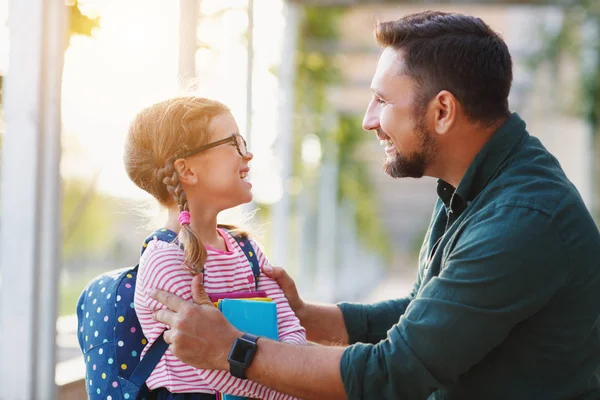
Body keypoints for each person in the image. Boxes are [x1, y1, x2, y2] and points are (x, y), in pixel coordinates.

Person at [149, 11, 600, 400]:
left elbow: (394, 372)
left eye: (382, 100)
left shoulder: (520, 220)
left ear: (442, 111)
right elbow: (429, 310)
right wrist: (308, 317)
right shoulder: (476, 189)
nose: (368, 120)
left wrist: (230, 349)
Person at [124, 97, 306, 399]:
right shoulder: (165, 260)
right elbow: (212, 366)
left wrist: (295, 377)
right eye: (234, 143)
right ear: (188, 170)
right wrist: (295, 388)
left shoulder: (247, 251)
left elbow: (291, 329)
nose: (248, 154)